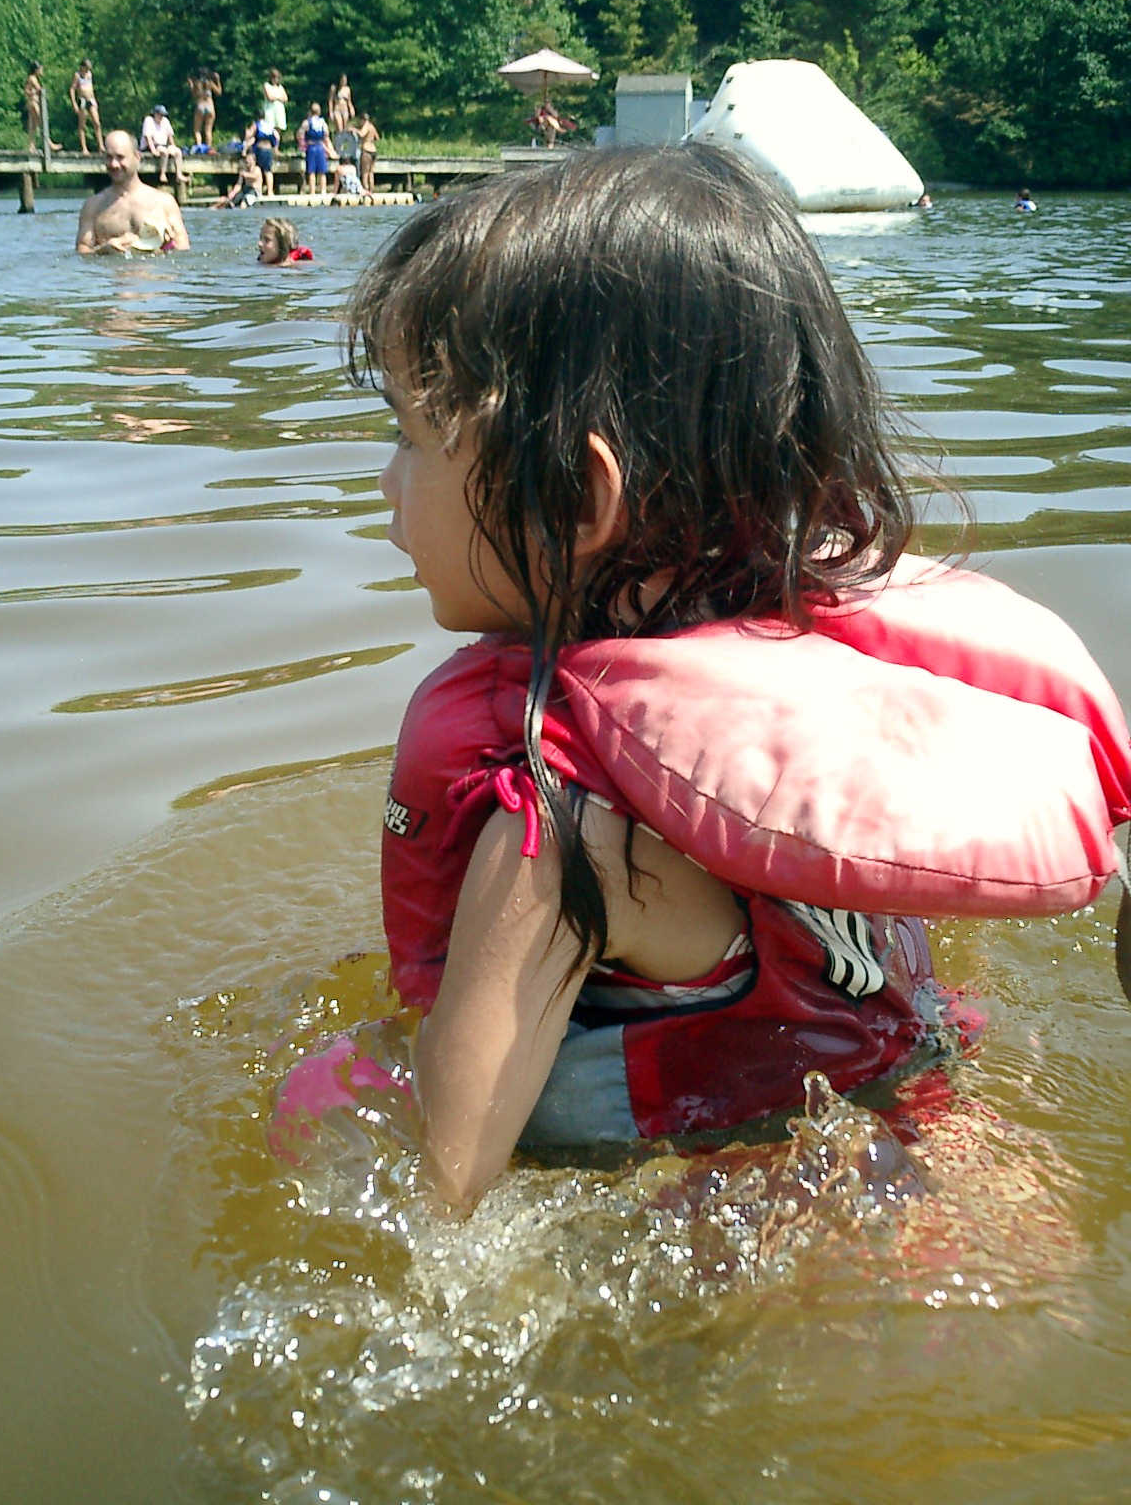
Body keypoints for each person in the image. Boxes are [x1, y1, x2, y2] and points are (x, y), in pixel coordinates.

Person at [271, 146, 1131, 1209]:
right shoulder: (830, 729)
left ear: (578, 499)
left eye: (409, 437)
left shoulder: (566, 836)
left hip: (764, 1236)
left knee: (319, 1095)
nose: (384, 479)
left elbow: (442, 1181)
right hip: (952, 1161)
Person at [75, 129, 190, 254]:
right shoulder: (93, 206)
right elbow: (82, 250)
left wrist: (168, 245)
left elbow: (183, 249)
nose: (114, 164)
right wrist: (103, 250)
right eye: (109, 157)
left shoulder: (164, 202)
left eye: (120, 157)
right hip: (109, 266)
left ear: (137, 157)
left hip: (152, 266)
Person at [139, 105, 188, 185]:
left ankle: (179, 174)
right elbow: (148, 138)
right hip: (150, 146)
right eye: (160, 114)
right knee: (164, 151)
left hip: (163, 145)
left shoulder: (165, 121)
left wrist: (173, 146)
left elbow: (170, 136)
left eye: (163, 115)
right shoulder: (148, 120)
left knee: (178, 151)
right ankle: (162, 174)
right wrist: (153, 151)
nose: (161, 116)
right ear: (155, 114)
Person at [23, 62, 61, 153]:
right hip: (33, 102)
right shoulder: (32, 78)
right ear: (36, 70)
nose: (42, 71)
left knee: (33, 126)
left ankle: (31, 146)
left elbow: (26, 90)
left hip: (32, 102)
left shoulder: (31, 78)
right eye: (40, 69)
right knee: (42, 122)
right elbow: (39, 89)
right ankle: (49, 143)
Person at [69, 59, 104, 155]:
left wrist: (95, 100)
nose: (88, 69)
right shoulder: (77, 75)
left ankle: (101, 146)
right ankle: (84, 148)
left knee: (97, 123)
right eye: (87, 67)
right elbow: (72, 89)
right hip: (82, 100)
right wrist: (74, 103)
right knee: (82, 125)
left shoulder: (89, 75)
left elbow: (91, 87)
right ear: (83, 67)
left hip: (91, 100)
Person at [245, 110, 279, 195]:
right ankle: (270, 191)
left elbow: (250, 135)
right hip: (269, 150)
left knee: (259, 170)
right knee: (268, 171)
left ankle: (259, 190)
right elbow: (277, 136)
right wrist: (276, 147)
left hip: (260, 149)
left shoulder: (256, 125)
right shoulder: (269, 125)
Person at [188, 68, 222, 147]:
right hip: (210, 106)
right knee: (208, 130)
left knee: (197, 130)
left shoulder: (197, 83)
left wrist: (191, 85)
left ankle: (199, 147)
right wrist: (218, 80)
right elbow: (219, 92)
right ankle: (208, 148)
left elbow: (194, 95)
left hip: (200, 106)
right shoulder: (210, 83)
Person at [302, 102, 330, 194]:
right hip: (320, 147)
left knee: (311, 171)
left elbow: (300, 134)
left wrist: (303, 144)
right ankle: (323, 191)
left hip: (311, 147)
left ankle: (312, 191)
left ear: (310, 111)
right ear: (319, 112)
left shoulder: (307, 122)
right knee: (322, 171)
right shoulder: (323, 122)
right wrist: (329, 149)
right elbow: (326, 135)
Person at [262, 68, 289, 141]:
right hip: (270, 110)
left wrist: (276, 97)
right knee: (269, 128)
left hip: (279, 110)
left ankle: (276, 145)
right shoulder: (267, 85)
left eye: (277, 78)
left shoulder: (280, 87)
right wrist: (279, 97)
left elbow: (285, 98)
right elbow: (270, 98)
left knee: (278, 128)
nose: (275, 79)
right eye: (274, 77)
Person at [357, 112, 381, 192]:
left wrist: (354, 130)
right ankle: (371, 190)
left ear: (362, 120)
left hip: (366, 150)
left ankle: (366, 190)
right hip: (374, 150)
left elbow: (361, 134)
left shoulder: (366, 126)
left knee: (365, 173)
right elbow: (377, 138)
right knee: (371, 173)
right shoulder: (372, 126)